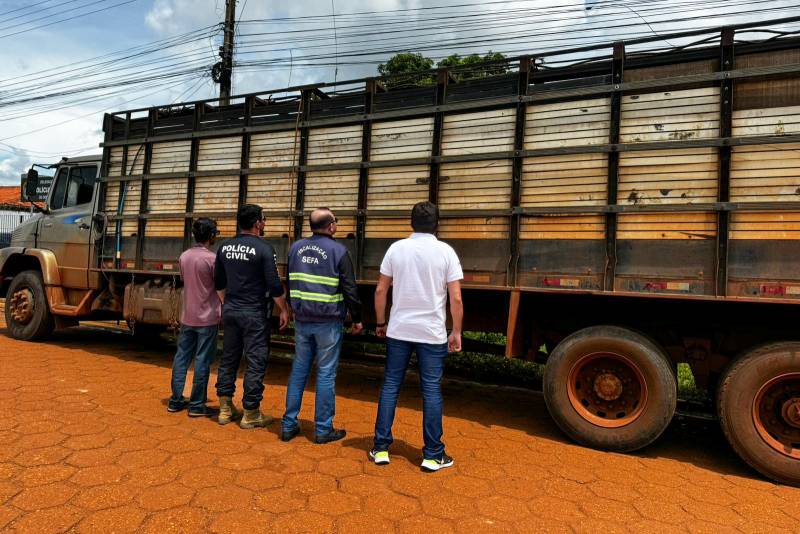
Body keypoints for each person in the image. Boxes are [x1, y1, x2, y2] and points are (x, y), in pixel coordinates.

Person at [370, 201, 464, 472]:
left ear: (411, 223)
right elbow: (455, 297)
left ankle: (380, 448)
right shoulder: (446, 251)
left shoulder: (396, 249)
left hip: (399, 330)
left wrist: (380, 322)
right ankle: (433, 455)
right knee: (431, 391)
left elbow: (380, 291)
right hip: (432, 334)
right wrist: (455, 331)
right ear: (437, 224)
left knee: (390, 386)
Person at [281, 208, 363, 444]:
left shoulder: (296, 248)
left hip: (303, 320)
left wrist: (290, 307)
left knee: (299, 370)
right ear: (331, 226)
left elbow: (290, 279)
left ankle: (288, 425)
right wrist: (357, 319)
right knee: (326, 374)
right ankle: (323, 429)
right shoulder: (339, 251)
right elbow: (350, 288)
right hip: (328, 322)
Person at [214, 204, 290, 429]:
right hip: (255, 313)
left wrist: (227, 304)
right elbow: (274, 285)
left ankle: (225, 409)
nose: (265, 223)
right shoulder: (265, 249)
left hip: (231, 310)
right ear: (257, 223)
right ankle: (251, 412)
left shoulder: (224, 247)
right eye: (264, 219)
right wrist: (284, 309)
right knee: (255, 361)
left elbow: (219, 282)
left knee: (229, 358)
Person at [168, 218, 222, 417]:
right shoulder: (212, 259)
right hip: (207, 318)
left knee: (181, 357)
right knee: (202, 360)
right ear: (211, 235)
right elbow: (219, 286)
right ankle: (197, 404)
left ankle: (175, 400)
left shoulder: (184, 256)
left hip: (188, 316)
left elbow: (185, 280)